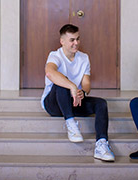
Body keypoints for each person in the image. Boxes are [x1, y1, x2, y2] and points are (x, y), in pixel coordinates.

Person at [41, 24, 114, 162]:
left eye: (78, 39)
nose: (76, 43)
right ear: (62, 41)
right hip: (54, 104)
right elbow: (50, 72)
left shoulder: (84, 58)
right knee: (62, 82)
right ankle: (71, 123)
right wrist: (72, 86)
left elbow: (86, 83)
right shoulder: (55, 55)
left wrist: (82, 92)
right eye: (72, 40)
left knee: (101, 103)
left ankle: (101, 145)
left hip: (74, 100)